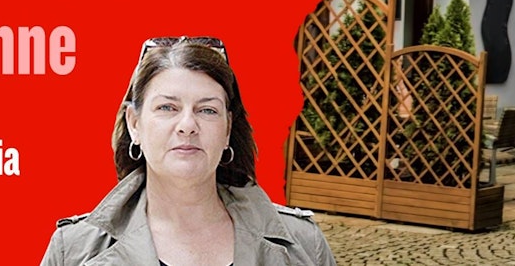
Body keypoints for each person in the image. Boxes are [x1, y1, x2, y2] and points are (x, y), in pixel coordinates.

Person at [44, 37, 334, 266]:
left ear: (227, 129)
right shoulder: (73, 251)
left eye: (207, 110)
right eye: (167, 107)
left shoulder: (304, 246)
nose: (187, 125)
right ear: (134, 124)